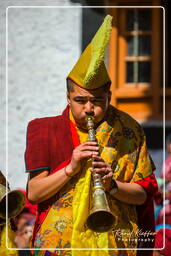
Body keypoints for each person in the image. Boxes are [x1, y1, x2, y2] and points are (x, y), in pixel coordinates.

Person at [25, 15, 158, 256]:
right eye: (80, 100)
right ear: (68, 98)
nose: (88, 109)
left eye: (97, 101)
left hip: (116, 244)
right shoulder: (44, 129)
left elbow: (144, 195)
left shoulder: (129, 129)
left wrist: (113, 186)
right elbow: (34, 193)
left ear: (109, 94)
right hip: (58, 246)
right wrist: (71, 168)